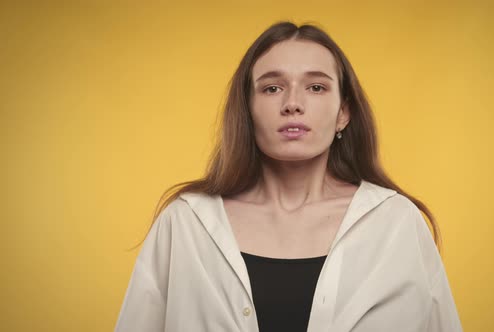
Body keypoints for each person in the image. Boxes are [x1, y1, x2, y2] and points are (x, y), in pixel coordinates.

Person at [115, 21, 463, 332]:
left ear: (343, 113)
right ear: (247, 111)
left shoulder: (396, 222)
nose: (293, 103)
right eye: (272, 88)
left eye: (316, 87)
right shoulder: (185, 224)